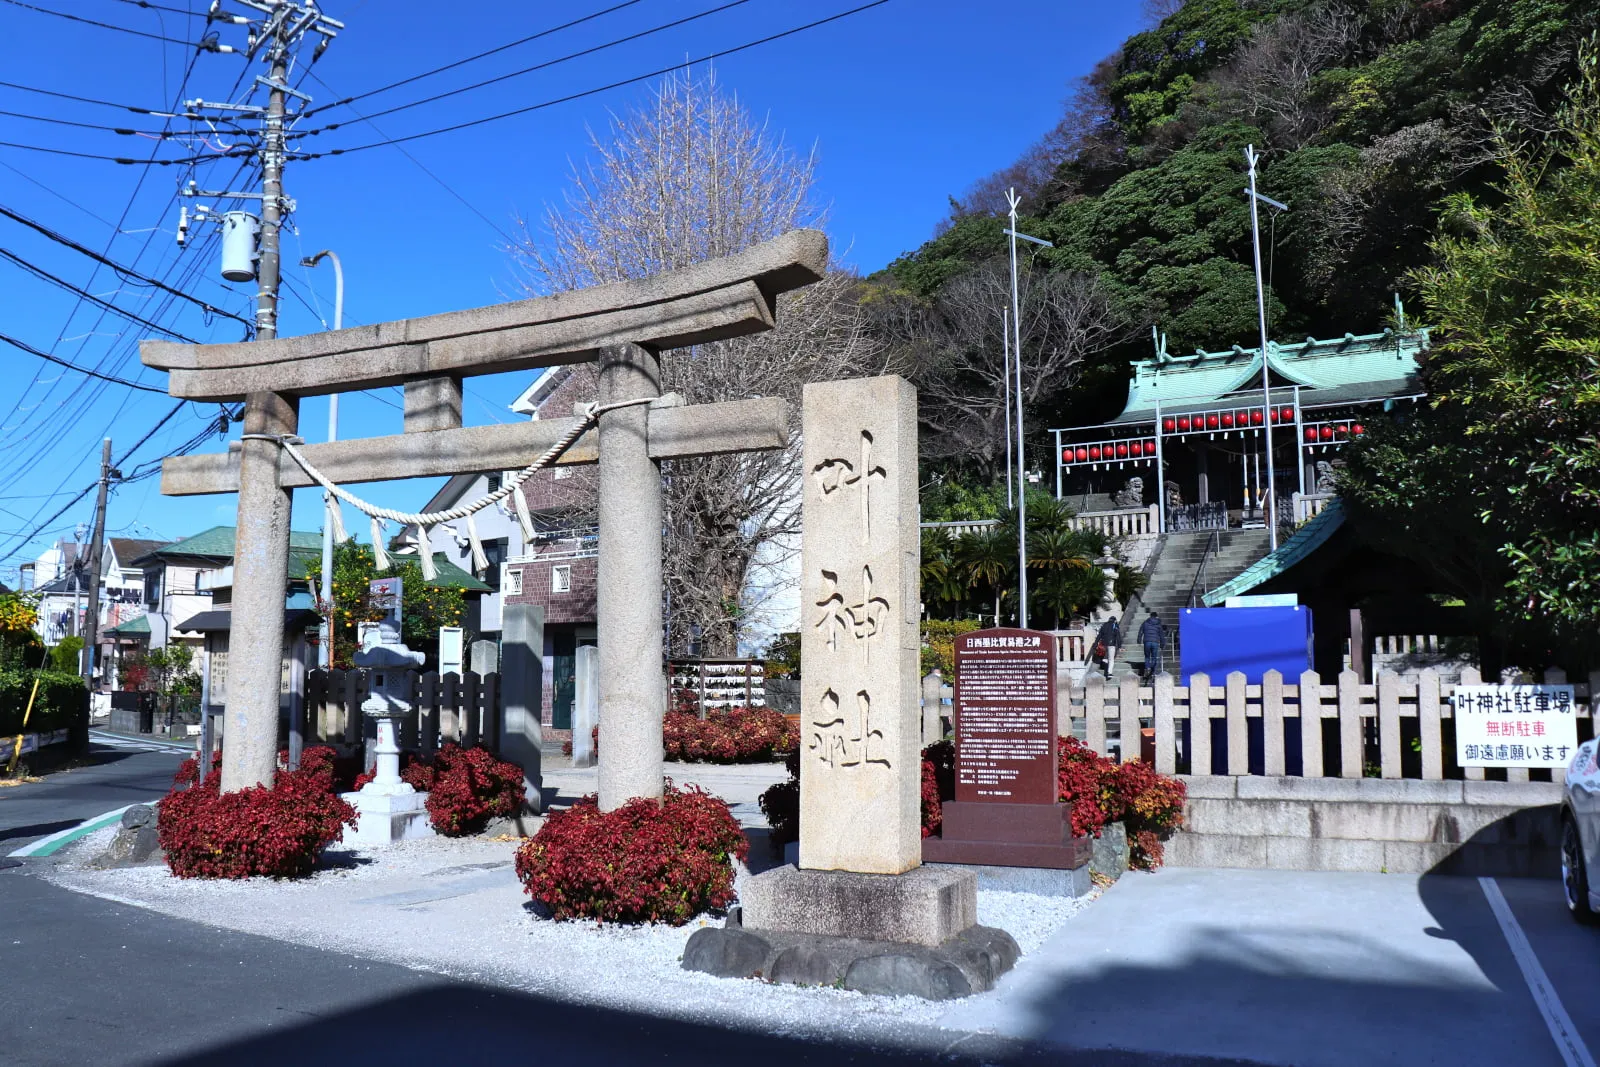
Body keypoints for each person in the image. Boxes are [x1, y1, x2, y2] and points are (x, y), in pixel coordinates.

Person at [1139, 611, 1166, 679]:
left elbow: (1141, 631)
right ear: (1156, 616)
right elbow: (1161, 635)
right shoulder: (1158, 624)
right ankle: (1153, 671)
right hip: (1155, 642)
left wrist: (1139, 640)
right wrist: (1162, 644)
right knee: (1154, 657)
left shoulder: (1145, 623)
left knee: (1147, 656)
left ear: (1150, 616)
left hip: (1147, 641)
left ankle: (1147, 668)